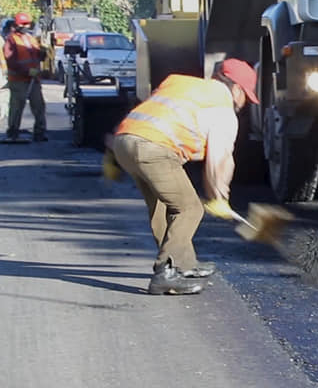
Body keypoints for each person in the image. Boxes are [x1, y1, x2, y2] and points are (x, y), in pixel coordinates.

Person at [104, 58, 260, 295]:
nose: (244, 103)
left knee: (162, 204)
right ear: (237, 88)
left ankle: (184, 263)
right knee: (190, 208)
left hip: (123, 142)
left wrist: (112, 156)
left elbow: (150, 113)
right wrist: (219, 196)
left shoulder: (180, 84)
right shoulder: (223, 109)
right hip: (153, 148)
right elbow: (219, 161)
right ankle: (166, 273)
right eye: (246, 96)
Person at [2, 12, 47, 142]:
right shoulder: (11, 40)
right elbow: (11, 61)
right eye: (23, 24)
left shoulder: (31, 38)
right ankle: (13, 131)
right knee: (17, 107)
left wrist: (43, 52)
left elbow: (37, 55)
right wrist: (27, 71)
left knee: (39, 105)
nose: (26, 26)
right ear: (16, 25)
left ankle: (40, 132)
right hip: (18, 81)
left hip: (34, 79)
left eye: (27, 24)